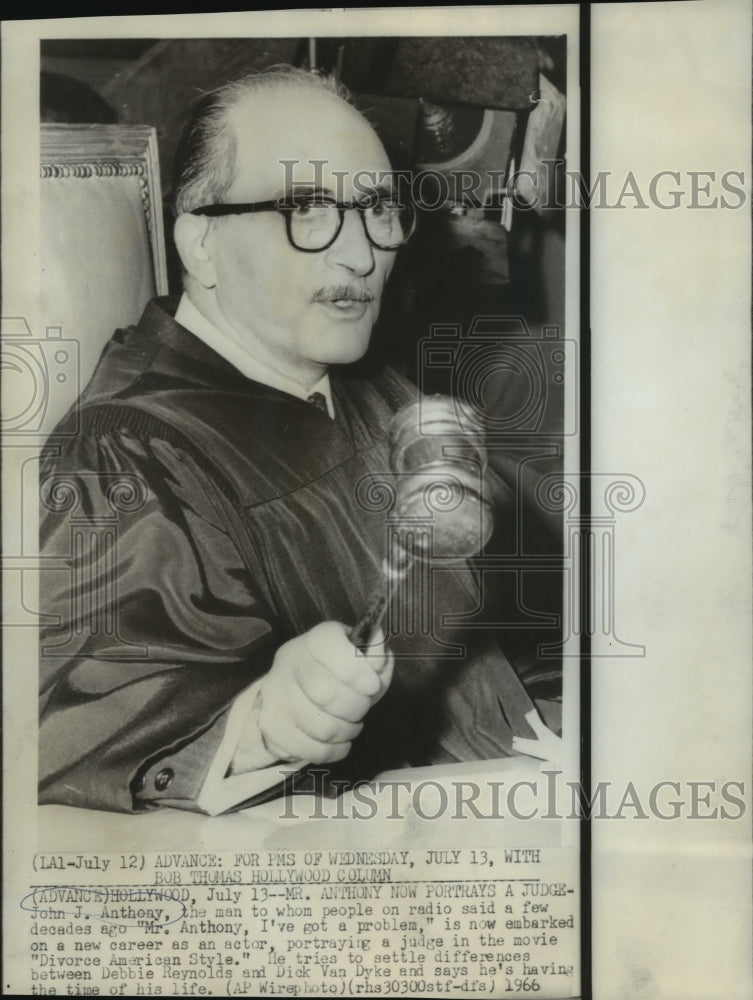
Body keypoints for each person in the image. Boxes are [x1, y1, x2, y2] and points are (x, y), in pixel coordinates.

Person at [39, 67, 546, 815]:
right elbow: (73, 720)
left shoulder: (366, 385)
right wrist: (261, 723)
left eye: (378, 208)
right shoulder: (129, 452)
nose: (361, 254)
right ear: (201, 241)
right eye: (307, 207)